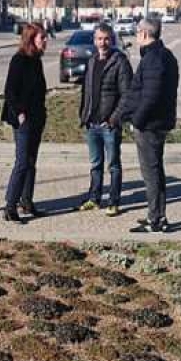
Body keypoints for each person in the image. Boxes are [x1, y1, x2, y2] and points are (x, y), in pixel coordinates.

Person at [122, 16, 179, 234]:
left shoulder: (153, 59)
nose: (136, 36)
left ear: (145, 34)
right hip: (160, 122)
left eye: (137, 32)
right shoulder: (166, 56)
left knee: (151, 173)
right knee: (156, 171)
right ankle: (157, 215)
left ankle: (156, 219)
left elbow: (150, 96)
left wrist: (136, 120)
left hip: (150, 125)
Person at [77, 23, 132, 216]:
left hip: (109, 125)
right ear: (94, 40)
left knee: (114, 165)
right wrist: (83, 115)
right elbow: (86, 91)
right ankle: (94, 198)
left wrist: (114, 119)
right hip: (92, 124)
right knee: (95, 164)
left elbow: (127, 95)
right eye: (99, 39)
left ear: (112, 39)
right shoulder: (92, 60)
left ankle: (114, 201)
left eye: (107, 38)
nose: (103, 42)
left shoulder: (120, 61)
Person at [1, 22, 49, 223]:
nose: (45, 41)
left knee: (31, 163)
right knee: (22, 162)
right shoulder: (19, 60)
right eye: (42, 38)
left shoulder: (36, 60)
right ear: (31, 39)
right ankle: (10, 206)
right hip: (24, 120)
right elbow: (10, 91)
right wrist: (20, 113)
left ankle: (27, 202)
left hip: (37, 117)